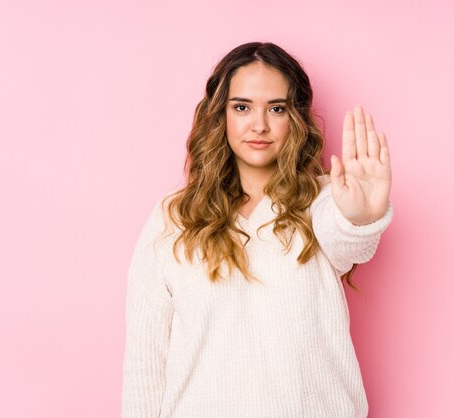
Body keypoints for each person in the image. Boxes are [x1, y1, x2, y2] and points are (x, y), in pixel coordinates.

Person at [121, 41, 394, 418]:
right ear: (221, 114)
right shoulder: (173, 216)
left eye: (277, 108)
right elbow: (145, 362)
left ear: (295, 117)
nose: (260, 125)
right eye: (242, 107)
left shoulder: (324, 199)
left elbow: (346, 239)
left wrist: (360, 217)